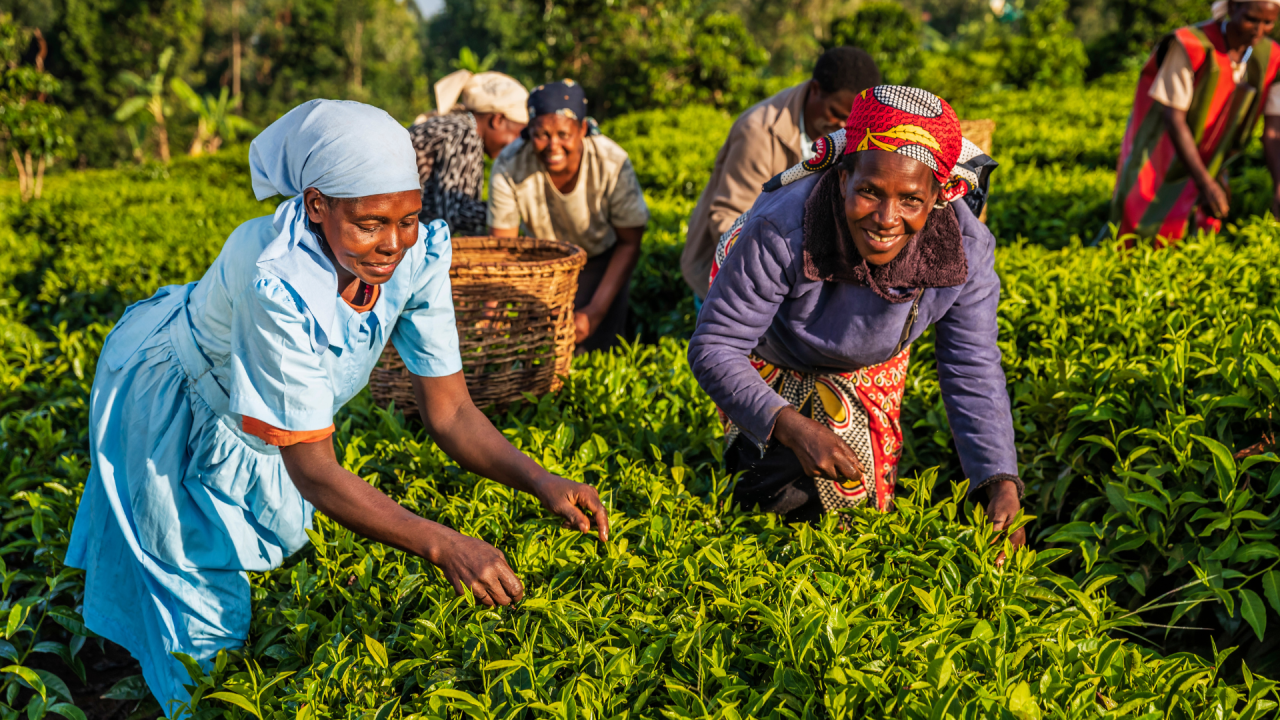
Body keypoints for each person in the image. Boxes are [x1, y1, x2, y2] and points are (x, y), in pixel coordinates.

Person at [65, 100, 609, 713]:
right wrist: (444, 544)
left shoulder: (418, 255)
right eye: (370, 223)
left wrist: (543, 481)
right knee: (202, 613)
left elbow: (451, 410)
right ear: (318, 204)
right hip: (178, 399)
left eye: (407, 218)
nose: (392, 244)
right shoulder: (274, 277)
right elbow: (314, 469)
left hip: (260, 418)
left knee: (238, 559)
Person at [688, 86, 1024, 548]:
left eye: (910, 200)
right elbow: (716, 346)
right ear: (842, 178)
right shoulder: (784, 227)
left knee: (861, 517)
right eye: (869, 192)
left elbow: (972, 366)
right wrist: (790, 425)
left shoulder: (965, 249)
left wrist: (998, 480)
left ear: (937, 196)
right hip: (773, 354)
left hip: (872, 364)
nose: (887, 218)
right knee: (773, 499)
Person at [681, 46, 881, 300]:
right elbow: (728, 218)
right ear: (815, 90)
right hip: (735, 280)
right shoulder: (758, 131)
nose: (843, 129)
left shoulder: (858, 132)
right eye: (836, 114)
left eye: (851, 121)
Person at [488, 80, 650, 353]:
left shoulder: (611, 162)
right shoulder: (509, 164)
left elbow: (629, 242)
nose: (553, 146)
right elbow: (504, 251)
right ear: (529, 131)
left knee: (599, 348)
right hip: (542, 264)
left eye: (564, 134)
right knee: (542, 350)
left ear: (583, 129)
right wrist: (492, 313)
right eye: (541, 134)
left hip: (601, 261)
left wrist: (594, 312)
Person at [1109, 0, 1280, 245]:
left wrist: (1278, 186)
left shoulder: (1271, 57)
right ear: (1232, 9)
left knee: (1199, 237)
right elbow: (1173, 118)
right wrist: (1205, 183)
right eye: (1251, 19)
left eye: (1268, 22)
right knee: (1141, 231)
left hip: (1213, 160)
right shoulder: (1191, 45)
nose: (1259, 30)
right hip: (1161, 156)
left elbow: (1274, 132)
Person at [409, 70, 528, 236]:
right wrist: (512, 209)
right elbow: (455, 214)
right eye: (517, 135)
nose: (518, 146)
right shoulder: (465, 135)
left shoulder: (453, 124)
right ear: (497, 120)